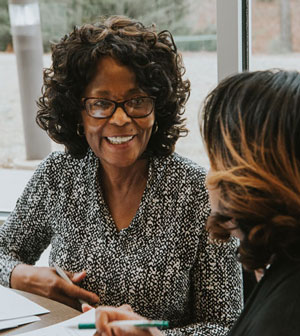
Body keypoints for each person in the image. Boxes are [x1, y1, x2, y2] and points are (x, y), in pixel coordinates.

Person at [0, 15, 243, 334]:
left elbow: (227, 325)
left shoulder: (199, 193)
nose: (120, 119)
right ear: (77, 111)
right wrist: (23, 275)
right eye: (101, 103)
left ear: (158, 108)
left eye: (137, 101)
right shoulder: (58, 176)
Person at [92, 69, 300, 336]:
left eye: (216, 159)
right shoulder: (283, 272)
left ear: (251, 176)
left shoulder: (282, 317)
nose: (209, 178)